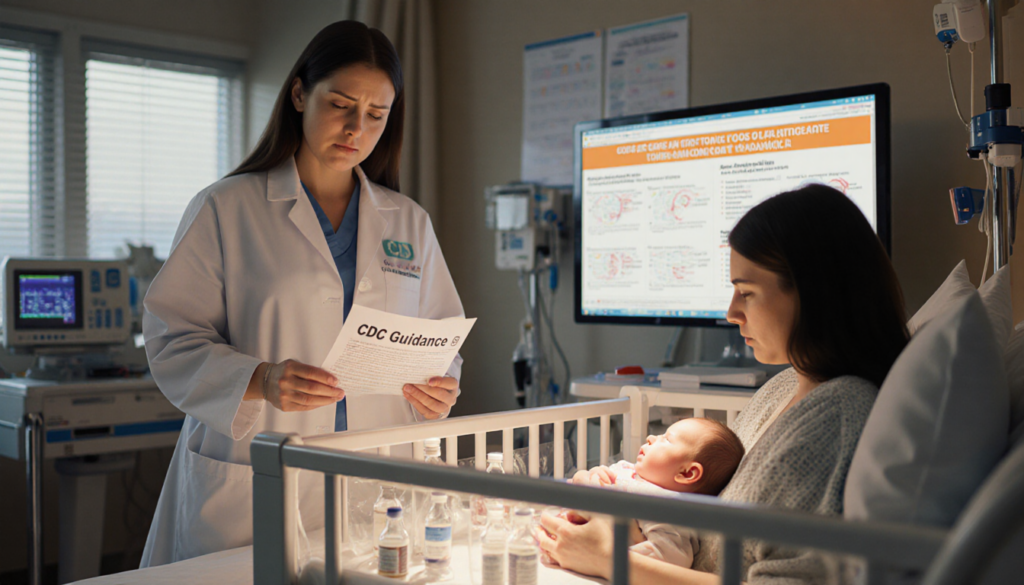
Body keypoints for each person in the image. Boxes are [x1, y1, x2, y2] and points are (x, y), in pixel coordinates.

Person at [140, 21, 465, 567]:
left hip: (375, 478)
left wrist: (443, 386)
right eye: (340, 104)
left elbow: (441, 338)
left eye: (376, 115)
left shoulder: (407, 221)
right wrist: (261, 380)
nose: (356, 128)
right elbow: (171, 338)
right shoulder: (227, 208)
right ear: (299, 94)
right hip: (255, 475)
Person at [538, 184, 909, 584]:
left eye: (746, 293)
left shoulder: (840, 414)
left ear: (813, 295)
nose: (732, 312)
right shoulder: (783, 388)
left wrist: (609, 558)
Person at [568, 417, 745, 568]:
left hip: (584, 553)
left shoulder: (670, 507)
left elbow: (670, 557)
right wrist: (596, 474)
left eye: (666, 440)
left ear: (686, 473)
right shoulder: (627, 469)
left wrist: (604, 555)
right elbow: (590, 479)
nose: (651, 437)